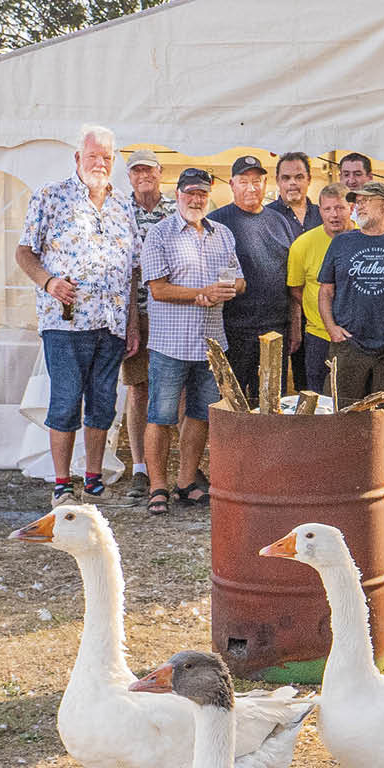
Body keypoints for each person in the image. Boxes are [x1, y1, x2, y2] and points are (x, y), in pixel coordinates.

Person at [15, 123, 139, 507]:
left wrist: (133, 321)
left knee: (103, 402)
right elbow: (24, 252)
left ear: (114, 160)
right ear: (77, 158)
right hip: (65, 323)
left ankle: (93, 477)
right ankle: (62, 482)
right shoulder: (51, 197)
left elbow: (133, 269)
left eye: (106, 157)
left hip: (112, 322)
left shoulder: (123, 206)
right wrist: (49, 281)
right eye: (92, 156)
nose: (99, 163)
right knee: (67, 401)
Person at [139, 168, 243, 516]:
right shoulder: (159, 234)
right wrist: (202, 293)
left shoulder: (222, 234)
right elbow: (157, 288)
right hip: (170, 344)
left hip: (212, 344)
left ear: (209, 196)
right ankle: (157, 487)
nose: (196, 200)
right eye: (190, 193)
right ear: (177, 193)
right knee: (161, 416)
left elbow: (239, 279)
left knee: (201, 415)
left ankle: (185, 482)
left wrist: (231, 288)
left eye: (202, 194)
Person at [318, 180, 384, 502]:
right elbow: (325, 291)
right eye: (357, 202)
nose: (358, 206)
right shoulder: (342, 243)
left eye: (366, 201)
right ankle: (341, 475)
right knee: (341, 412)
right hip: (349, 342)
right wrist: (332, 327)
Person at [209, 153, 318, 400]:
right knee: (232, 402)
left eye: (257, 180)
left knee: (270, 403)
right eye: (244, 180)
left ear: (266, 184)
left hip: (274, 330)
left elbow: (292, 280)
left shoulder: (279, 221)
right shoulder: (216, 223)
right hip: (232, 330)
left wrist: (295, 326)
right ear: (232, 185)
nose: (251, 187)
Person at [119, 149, 174, 506]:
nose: (143, 175)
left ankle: (176, 468)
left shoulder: (178, 208)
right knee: (139, 389)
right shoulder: (118, 211)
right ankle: (140, 467)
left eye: (148, 169)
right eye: (136, 170)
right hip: (134, 313)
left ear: (160, 172)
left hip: (172, 310)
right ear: (129, 175)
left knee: (177, 390)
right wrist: (128, 322)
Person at [286, 183, 352, 394]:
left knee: (353, 402)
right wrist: (317, 312)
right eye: (328, 209)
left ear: (351, 208)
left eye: (340, 208)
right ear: (320, 211)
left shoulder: (364, 239)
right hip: (318, 336)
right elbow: (296, 289)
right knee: (318, 401)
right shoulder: (302, 245)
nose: (334, 215)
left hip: (357, 337)